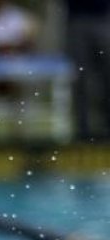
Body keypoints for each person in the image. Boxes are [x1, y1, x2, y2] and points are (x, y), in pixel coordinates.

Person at [65, 0, 110, 139]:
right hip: (77, 19)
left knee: (107, 76)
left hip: (104, 16)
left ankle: (106, 126)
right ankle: (82, 130)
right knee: (80, 77)